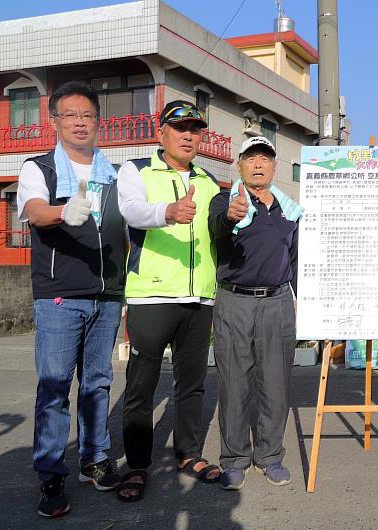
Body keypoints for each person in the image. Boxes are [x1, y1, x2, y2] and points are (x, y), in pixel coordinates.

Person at [18, 82, 126, 518]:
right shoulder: (39, 167)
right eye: (70, 114)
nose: (80, 122)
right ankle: (50, 474)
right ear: (55, 121)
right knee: (55, 386)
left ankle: (94, 459)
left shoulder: (113, 172)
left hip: (107, 296)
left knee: (98, 382)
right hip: (60, 296)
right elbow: (34, 210)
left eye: (87, 114)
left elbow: (128, 225)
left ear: (98, 121)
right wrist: (63, 210)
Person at [115, 100, 221, 502]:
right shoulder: (136, 169)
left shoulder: (209, 181)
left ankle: (188, 454)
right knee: (140, 387)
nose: (189, 135)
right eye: (180, 128)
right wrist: (168, 211)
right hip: (151, 295)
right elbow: (131, 210)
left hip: (199, 298)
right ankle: (138, 465)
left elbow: (218, 232)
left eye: (195, 129)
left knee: (192, 385)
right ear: (161, 133)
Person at [208, 136, 303, 490]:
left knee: (275, 382)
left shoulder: (287, 209)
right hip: (234, 300)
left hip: (278, 301)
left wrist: (308, 304)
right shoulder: (226, 200)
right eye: (251, 158)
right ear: (240, 165)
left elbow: (295, 259)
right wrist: (230, 217)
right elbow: (216, 226)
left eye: (265, 158)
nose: (258, 164)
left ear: (275, 166)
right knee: (233, 383)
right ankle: (234, 459)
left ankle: (269, 456)